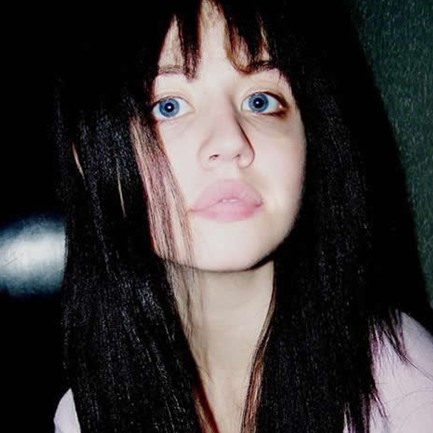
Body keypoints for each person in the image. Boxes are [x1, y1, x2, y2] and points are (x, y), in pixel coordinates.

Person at [52, 0, 433, 432]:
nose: (230, 141)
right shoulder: (84, 415)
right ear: (88, 154)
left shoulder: (408, 392)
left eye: (260, 100)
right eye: (168, 105)